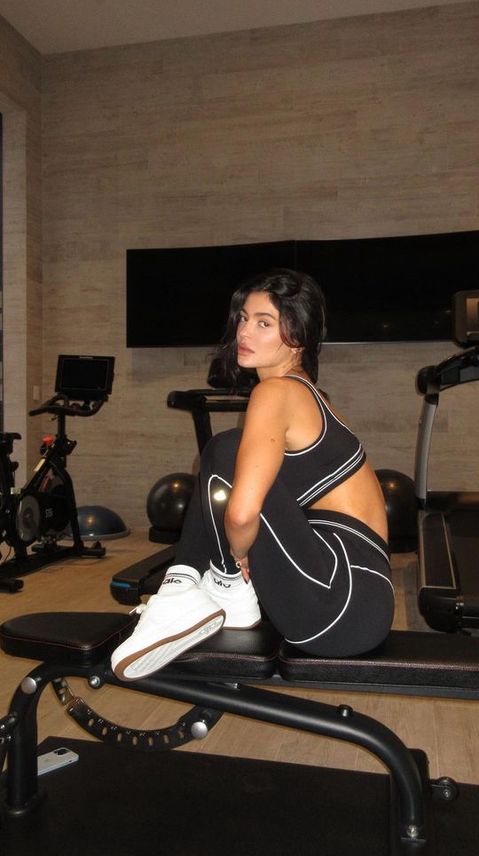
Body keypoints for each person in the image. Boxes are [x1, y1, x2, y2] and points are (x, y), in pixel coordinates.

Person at [111, 269, 393, 680]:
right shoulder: (312, 397)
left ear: (297, 335)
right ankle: (213, 593)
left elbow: (242, 515)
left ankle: (188, 588)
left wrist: (237, 554)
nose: (245, 331)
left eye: (264, 323)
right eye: (244, 318)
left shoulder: (276, 392)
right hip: (358, 605)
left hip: (340, 600)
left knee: (226, 449)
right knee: (232, 453)